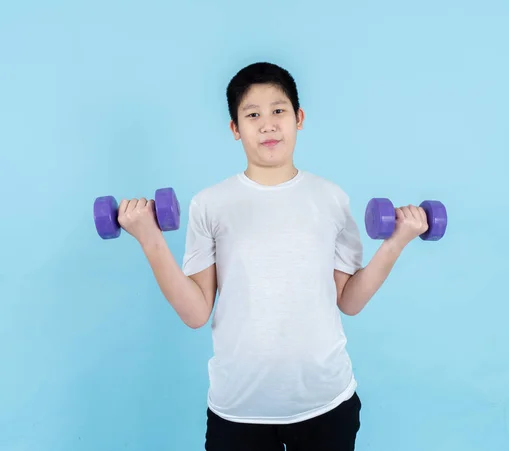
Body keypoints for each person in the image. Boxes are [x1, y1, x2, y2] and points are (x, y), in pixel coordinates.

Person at [117, 62, 430, 450]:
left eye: (278, 111)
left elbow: (349, 300)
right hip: (239, 409)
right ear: (235, 128)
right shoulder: (210, 204)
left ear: (299, 118)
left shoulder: (332, 198)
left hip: (326, 402)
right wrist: (149, 237)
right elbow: (196, 312)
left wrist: (396, 241)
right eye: (252, 115)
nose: (267, 124)